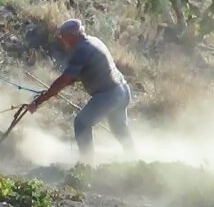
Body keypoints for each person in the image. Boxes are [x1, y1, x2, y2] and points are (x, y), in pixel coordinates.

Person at [27, 19, 134, 158]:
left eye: (63, 36)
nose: (61, 40)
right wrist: (54, 91)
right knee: (119, 129)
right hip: (122, 91)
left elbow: (64, 80)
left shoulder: (82, 50)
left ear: (72, 35)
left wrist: (38, 101)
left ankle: (87, 164)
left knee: (82, 123)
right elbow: (80, 74)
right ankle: (135, 159)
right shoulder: (93, 41)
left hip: (109, 94)